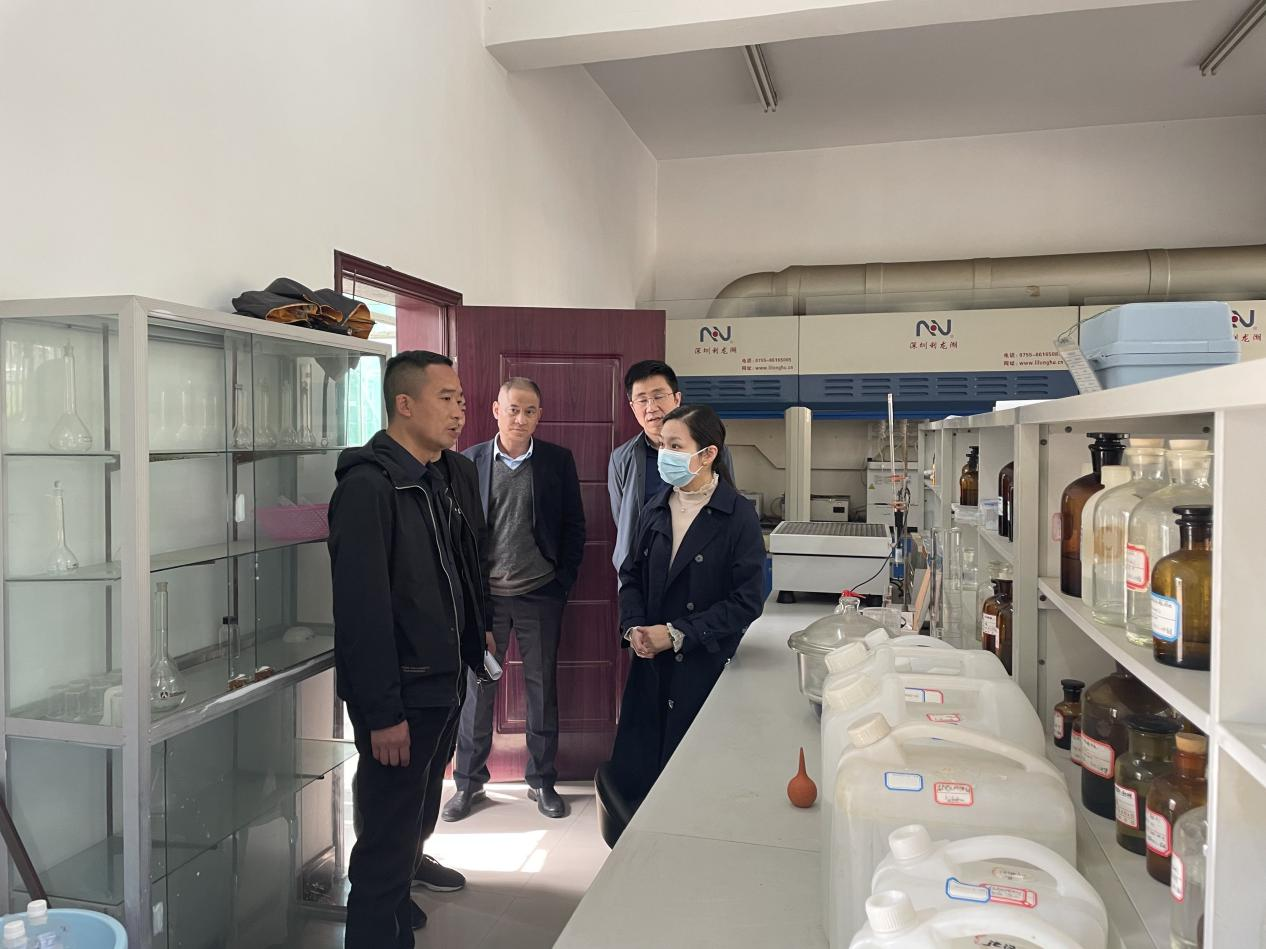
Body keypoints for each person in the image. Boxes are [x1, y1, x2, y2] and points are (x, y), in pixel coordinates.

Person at [329, 350, 496, 949]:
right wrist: (382, 714)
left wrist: (479, 628)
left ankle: (399, 912)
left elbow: (465, 564)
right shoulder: (368, 488)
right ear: (404, 404)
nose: (459, 412)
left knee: (413, 822)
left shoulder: (444, 475)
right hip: (402, 694)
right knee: (384, 844)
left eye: (461, 400)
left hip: (444, 682)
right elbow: (362, 613)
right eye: (446, 398)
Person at [443, 378, 587, 821]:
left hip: (539, 595)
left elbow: (574, 527)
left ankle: (542, 781)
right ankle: (468, 783)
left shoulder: (557, 462)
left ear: (539, 415)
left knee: (542, 690)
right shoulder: (468, 463)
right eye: (513, 410)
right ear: (495, 410)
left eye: (529, 411)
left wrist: (561, 584)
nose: (520, 419)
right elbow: (456, 536)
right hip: (485, 600)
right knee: (477, 691)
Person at [609, 404, 765, 808]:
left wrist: (678, 634)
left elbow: (747, 601)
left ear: (708, 453)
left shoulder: (738, 516)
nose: (665, 455)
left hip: (703, 667)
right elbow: (631, 575)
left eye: (676, 446)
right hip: (650, 665)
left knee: (691, 789)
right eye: (662, 445)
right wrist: (634, 627)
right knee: (640, 781)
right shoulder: (656, 507)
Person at [608, 360, 733, 576]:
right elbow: (623, 519)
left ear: (677, 398)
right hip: (641, 573)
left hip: (700, 570)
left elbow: (726, 505)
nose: (651, 407)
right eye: (642, 400)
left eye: (658, 396)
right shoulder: (621, 458)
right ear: (632, 407)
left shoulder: (708, 451)